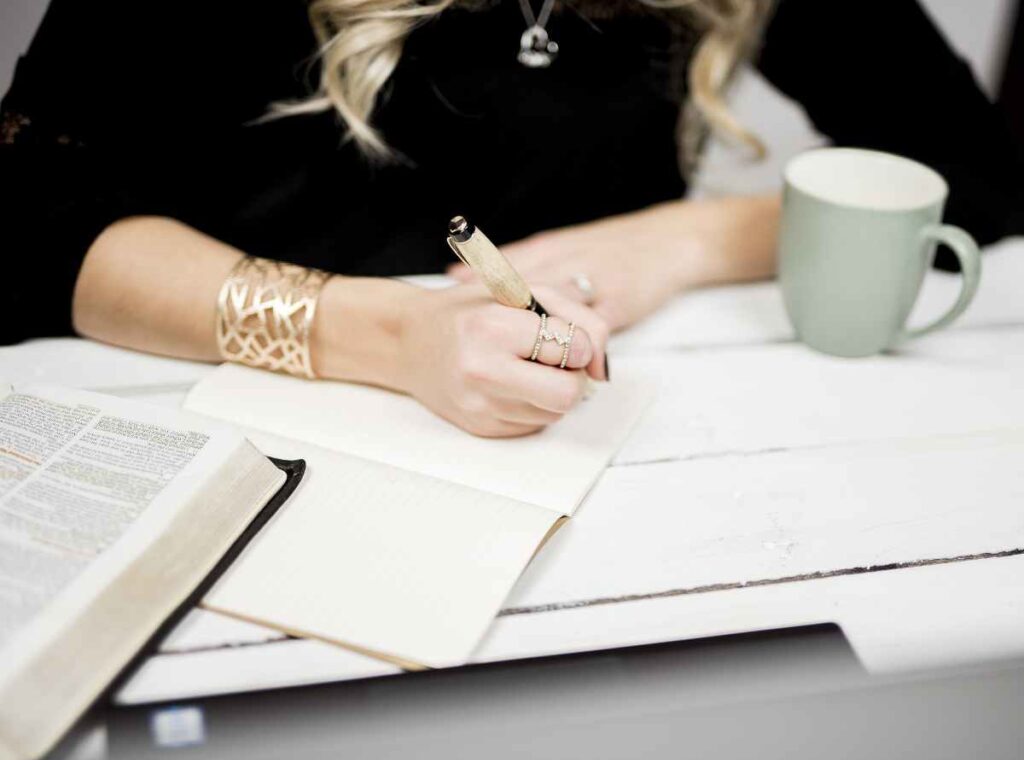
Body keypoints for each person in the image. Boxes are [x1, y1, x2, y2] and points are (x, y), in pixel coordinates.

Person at [2, 0, 1021, 435]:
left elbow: (976, 169)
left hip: (596, 438)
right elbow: (28, 225)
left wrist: (687, 239)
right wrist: (390, 336)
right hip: (207, 410)